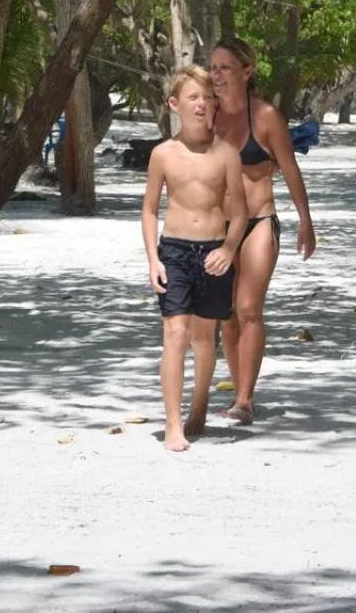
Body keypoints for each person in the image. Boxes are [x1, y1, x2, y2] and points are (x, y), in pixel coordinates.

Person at [208, 38, 316, 425]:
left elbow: (289, 169)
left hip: (259, 221)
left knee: (249, 308)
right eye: (213, 67)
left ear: (247, 71)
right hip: (217, 226)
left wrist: (306, 221)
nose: (216, 74)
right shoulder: (209, 115)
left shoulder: (266, 116)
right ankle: (238, 391)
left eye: (225, 67)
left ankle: (245, 400)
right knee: (227, 316)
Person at [141, 65, 248, 452]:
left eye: (207, 97)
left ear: (215, 104)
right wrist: (154, 259)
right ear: (175, 104)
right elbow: (150, 209)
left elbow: (240, 214)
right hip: (175, 251)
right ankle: (172, 424)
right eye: (193, 98)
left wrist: (229, 249)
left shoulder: (226, 154)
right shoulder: (162, 154)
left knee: (205, 339)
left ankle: (199, 402)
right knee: (175, 334)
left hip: (214, 252)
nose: (201, 104)